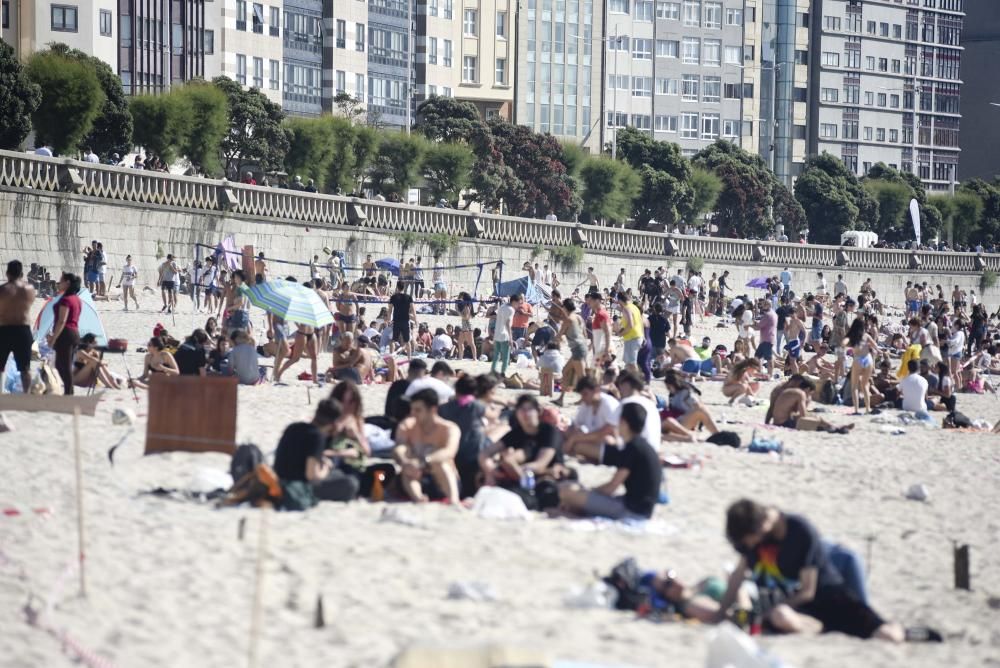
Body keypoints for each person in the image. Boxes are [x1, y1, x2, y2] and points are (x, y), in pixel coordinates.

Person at [715, 500, 923, 642]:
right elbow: (737, 576)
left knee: (889, 637)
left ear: (761, 527)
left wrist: (768, 611)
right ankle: (823, 629)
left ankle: (907, 632)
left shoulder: (799, 530)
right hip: (801, 610)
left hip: (830, 598)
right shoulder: (754, 537)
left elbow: (808, 591)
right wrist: (720, 612)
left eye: (750, 540)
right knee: (780, 616)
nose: (749, 546)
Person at [556, 402, 661, 521]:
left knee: (567, 490)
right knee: (576, 492)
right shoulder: (643, 445)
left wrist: (588, 492)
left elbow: (611, 487)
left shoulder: (632, 448)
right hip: (639, 507)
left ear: (623, 422)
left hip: (632, 511)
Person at [273, 398, 360, 502]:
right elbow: (312, 476)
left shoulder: (293, 427)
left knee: (338, 474)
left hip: (279, 479)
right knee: (351, 483)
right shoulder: (317, 436)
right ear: (334, 422)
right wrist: (326, 468)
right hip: (298, 486)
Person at [479, 394, 566, 487]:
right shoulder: (517, 432)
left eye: (529, 409)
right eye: (521, 409)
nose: (525, 413)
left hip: (549, 476)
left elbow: (541, 464)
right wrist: (491, 471)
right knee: (480, 477)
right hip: (520, 474)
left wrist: (511, 467)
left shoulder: (549, 431)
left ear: (538, 412)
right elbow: (485, 453)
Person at [393, 389, 461, 504]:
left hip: (443, 481)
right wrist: (405, 461)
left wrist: (424, 461)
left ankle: (454, 501)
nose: (413, 413)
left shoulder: (449, 428)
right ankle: (419, 498)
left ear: (432, 410)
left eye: (418, 410)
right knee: (408, 466)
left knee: (440, 463)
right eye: (412, 409)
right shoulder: (407, 425)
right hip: (415, 478)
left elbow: (449, 451)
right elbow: (400, 446)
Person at [439, 375, 489, 497]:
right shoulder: (478, 406)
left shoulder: (443, 408)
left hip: (452, 454)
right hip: (473, 454)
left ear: (456, 390)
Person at [0, 261, 37, 393]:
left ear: (7, 273)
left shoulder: (2, 290)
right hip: (23, 330)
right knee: (25, 368)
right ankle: (26, 395)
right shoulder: (29, 290)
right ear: (21, 274)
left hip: (4, 329)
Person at [46, 273, 84, 395]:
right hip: (74, 333)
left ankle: (69, 392)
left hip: (66, 334)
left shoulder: (66, 300)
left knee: (65, 365)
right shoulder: (77, 299)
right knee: (60, 364)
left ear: (67, 283)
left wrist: (53, 338)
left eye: (61, 281)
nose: (58, 283)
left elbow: (62, 321)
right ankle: (69, 390)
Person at [387, 280, 415, 356]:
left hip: (396, 321)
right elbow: (413, 310)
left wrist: (388, 320)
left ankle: (391, 356)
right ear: (404, 287)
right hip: (405, 321)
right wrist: (416, 320)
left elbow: (389, 310)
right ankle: (409, 358)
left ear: (397, 287)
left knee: (393, 340)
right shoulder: (409, 297)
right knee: (407, 341)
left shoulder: (393, 297)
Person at [491, 294, 516, 377]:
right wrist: (511, 338)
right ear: (514, 302)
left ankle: (493, 371)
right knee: (505, 356)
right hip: (504, 335)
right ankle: (503, 373)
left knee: (496, 355)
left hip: (497, 333)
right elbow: (508, 324)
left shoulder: (502, 307)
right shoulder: (511, 309)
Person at [618, 293, 643, 374]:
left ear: (620, 300)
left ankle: (638, 382)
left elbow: (630, 325)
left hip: (632, 337)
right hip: (637, 336)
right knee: (628, 363)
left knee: (632, 364)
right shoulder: (634, 307)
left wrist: (621, 333)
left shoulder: (626, 308)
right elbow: (639, 322)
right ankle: (631, 380)